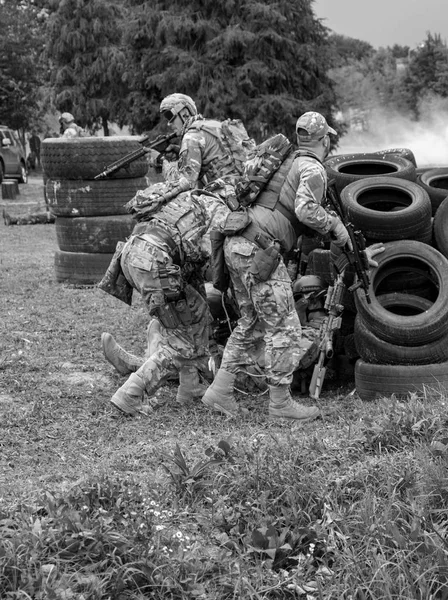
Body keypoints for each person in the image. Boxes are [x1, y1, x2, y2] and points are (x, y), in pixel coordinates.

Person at [201, 111, 381, 421]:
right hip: (259, 250)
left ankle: (219, 391)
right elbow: (307, 210)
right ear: (325, 139)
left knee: (251, 322)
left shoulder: (285, 162)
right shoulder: (311, 167)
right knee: (284, 327)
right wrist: (337, 227)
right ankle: (281, 404)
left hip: (236, 242)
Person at [101, 180, 231, 416]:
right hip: (156, 262)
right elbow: (211, 262)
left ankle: (190, 386)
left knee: (195, 318)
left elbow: (190, 262)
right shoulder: (220, 210)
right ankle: (132, 392)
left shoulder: (189, 201)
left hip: (134, 255)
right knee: (183, 340)